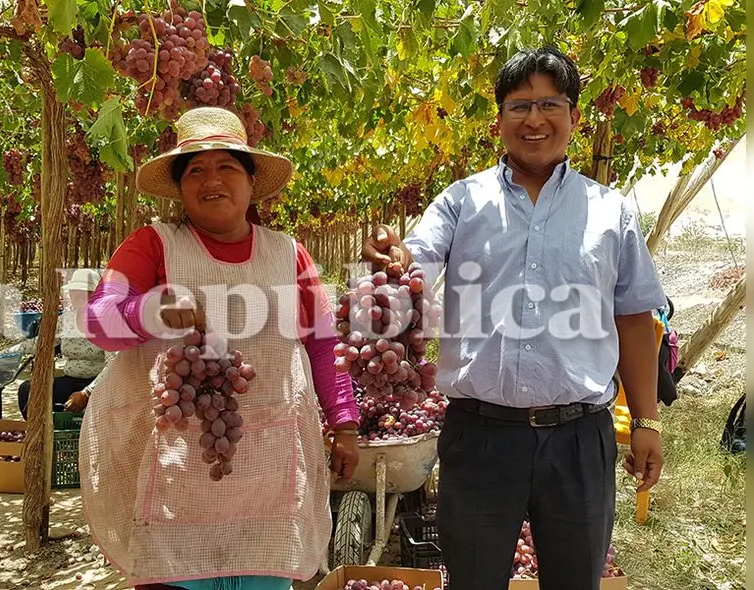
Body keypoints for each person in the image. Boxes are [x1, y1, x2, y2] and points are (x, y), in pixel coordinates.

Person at [362, 47, 665, 590]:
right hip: (480, 436)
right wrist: (395, 257)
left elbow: (635, 318)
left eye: (550, 103)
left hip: (579, 438)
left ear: (573, 115)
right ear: (499, 119)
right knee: (475, 580)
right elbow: (417, 259)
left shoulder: (610, 211)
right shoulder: (460, 203)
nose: (535, 118)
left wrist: (645, 421)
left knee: (576, 579)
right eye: (519, 105)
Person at [79, 106, 360, 590]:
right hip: (177, 469)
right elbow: (98, 320)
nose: (212, 179)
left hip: (268, 470)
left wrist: (345, 422)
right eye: (196, 170)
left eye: (227, 166)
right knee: (173, 570)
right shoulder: (152, 244)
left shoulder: (288, 253)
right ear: (181, 187)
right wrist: (149, 311)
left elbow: (322, 341)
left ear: (252, 182)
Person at [14, 269, 106, 418]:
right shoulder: (67, 320)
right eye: (73, 292)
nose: (76, 296)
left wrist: (86, 393)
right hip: (71, 380)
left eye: (82, 292)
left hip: (100, 384)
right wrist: (10, 351)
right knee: (28, 390)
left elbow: (112, 363)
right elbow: (43, 343)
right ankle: (41, 436)